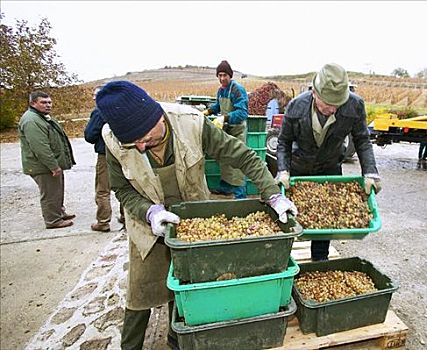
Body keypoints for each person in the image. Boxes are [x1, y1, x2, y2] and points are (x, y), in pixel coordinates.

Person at [95, 80, 297, 350]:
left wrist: (273, 194)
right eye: (134, 144)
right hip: (148, 223)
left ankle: (176, 339)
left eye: (145, 138)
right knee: (140, 291)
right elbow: (121, 189)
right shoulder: (113, 139)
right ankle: (129, 346)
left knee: (187, 284)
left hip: (193, 221)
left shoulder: (191, 123)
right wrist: (149, 212)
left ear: (157, 117)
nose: (141, 147)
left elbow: (243, 157)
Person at [275, 63, 381, 261]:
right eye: (328, 104)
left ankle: (320, 260)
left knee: (326, 223)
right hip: (300, 169)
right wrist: (283, 170)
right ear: (314, 92)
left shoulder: (354, 105)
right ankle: (285, 259)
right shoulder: (296, 106)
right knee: (289, 218)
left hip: (330, 168)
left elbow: (362, 140)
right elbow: (284, 141)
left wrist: (371, 172)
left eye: (337, 104)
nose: (333, 109)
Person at [18, 91, 76, 229]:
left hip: (50, 164)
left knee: (56, 189)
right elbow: (40, 147)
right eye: (43, 102)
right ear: (33, 103)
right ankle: (53, 220)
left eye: (49, 102)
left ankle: (59, 213)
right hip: (42, 166)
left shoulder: (42, 117)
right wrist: (53, 166)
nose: (48, 105)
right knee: (50, 193)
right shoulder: (31, 120)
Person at [203, 60, 249, 199]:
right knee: (224, 159)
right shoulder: (221, 90)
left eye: (225, 75)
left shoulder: (237, 89)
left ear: (230, 75)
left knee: (237, 161)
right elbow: (218, 105)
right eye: (220, 75)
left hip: (237, 131)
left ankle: (240, 193)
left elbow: (242, 113)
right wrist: (208, 111)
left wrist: (225, 118)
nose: (222, 78)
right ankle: (226, 187)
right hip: (226, 130)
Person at [84, 86, 125, 232]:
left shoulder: (99, 112)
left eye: (96, 95)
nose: (95, 98)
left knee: (103, 190)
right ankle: (126, 217)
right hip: (125, 153)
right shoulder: (123, 109)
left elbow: (89, 135)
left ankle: (103, 222)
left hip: (106, 155)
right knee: (125, 186)